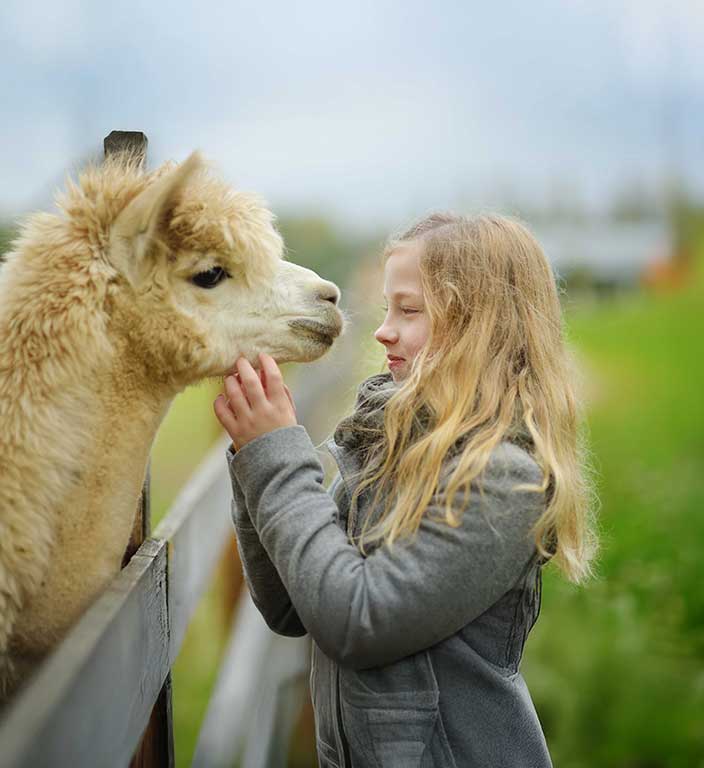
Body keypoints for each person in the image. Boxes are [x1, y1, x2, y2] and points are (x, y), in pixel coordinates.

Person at [213, 212, 598, 768]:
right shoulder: (388, 447)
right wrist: (254, 455)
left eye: (409, 310)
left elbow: (355, 623)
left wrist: (276, 457)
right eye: (386, 309)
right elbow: (291, 607)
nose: (383, 331)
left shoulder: (503, 479)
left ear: (479, 327)